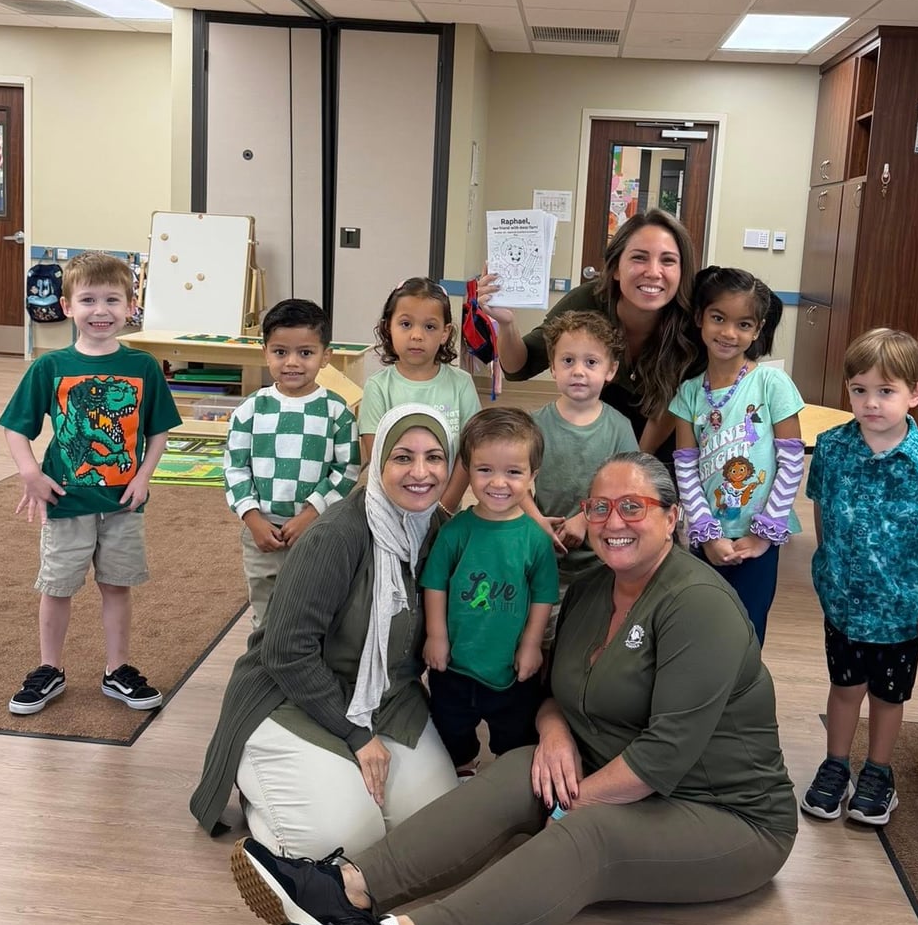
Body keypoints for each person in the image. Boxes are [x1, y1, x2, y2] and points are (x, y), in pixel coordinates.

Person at [227, 453, 797, 925]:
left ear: (672, 518)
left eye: (633, 507)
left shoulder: (699, 604)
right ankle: (347, 887)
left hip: (726, 814)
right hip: (624, 770)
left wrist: (565, 808)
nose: (612, 521)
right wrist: (552, 735)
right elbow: (554, 692)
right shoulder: (594, 587)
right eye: (598, 507)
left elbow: (663, 756)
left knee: (587, 834)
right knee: (523, 766)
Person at [190, 404, 458, 855]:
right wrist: (357, 737)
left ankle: (337, 782)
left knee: (433, 829)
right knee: (341, 840)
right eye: (402, 457)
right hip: (290, 696)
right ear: (378, 463)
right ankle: (262, 797)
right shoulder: (337, 535)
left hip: (385, 700)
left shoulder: (440, 532)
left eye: (434, 457)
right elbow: (285, 651)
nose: (421, 472)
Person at [0, 251, 181, 716]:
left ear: (130, 306)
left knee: (117, 585)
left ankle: (117, 668)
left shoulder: (144, 367)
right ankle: (49, 668)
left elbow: (157, 429)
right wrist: (30, 472)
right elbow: (16, 426)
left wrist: (144, 475)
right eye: (88, 300)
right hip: (67, 501)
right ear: (67, 307)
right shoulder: (50, 367)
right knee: (57, 586)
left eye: (112, 300)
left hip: (123, 503)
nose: (101, 310)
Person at [801, 329, 918, 827]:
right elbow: (822, 513)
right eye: (859, 390)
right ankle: (836, 766)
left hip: (901, 609)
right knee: (845, 686)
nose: (871, 403)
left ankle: (878, 772)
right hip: (844, 604)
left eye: (886, 391)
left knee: (888, 697)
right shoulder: (830, 448)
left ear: (915, 393)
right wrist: (829, 568)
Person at [477, 209, 699, 465]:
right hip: (595, 438)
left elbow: (670, 411)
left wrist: (635, 467)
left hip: (666, 445)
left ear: (682, 271)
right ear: (615, 269)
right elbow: (518, 367)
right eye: (639, 258)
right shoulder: (588, 300)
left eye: (668, 261)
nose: (653, 271)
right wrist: (507, 323)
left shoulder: (691, 322)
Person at [421, 407, 559, 776]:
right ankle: (463, 769)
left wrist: (531, 644)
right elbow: (434, 584)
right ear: (467, 470)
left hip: (511, 667)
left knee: (515, 734)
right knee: (451, 729)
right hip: (454, 664)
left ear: (533, 475)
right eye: (485, 470)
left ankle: (503, 783)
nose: (498, 483)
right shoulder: (455, 532)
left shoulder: (535, 539)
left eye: (513, 472)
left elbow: (544, 595)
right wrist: (436, 635)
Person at [669, 266, 804, 646]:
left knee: (747, 632)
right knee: (702, 630)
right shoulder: (689, 394)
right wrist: (705, 532)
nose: (729, 333)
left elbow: (792, 461)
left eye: (743, 324)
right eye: (718, 318)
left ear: (758, 329)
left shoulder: (771, 383)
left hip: (757, 540)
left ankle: (741, 704)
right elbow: (685, 467)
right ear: (700, 319)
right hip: (706, 540)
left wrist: (764, 533)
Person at [223, 297, 360, 632]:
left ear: (325, 356)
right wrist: (253, 519)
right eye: (280, 352)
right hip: (262, 534)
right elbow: (235, 469)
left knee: (314, 611)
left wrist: (310, 515)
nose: (292, 363)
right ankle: (263, 674)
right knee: (265, 616)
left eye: (306, 353)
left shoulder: (336, 410)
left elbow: (348, 469)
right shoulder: (250, 410)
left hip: (316, 532)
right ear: (265, 351)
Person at [528, 311, 640, 598]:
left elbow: (631, 491)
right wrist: (537, 521)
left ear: (610, 370)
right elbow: (514, 483)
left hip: (602, 562)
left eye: (591, 362)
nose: (578, 371)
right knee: (543, 632)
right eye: (568, 361)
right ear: (553, 367)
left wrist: (586, 518)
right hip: (541, 556)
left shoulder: (619, 428)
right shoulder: (534, 425)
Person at [359, 277, 480, 512]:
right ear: (388, 327)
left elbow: (471, 452)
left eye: (430, 326)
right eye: (406, 324)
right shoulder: (378, 387)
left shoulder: (461, 384)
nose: (417, 335)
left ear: (445, 333)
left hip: (445, 510)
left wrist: (444, 507)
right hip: (391, 509)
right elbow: (378, 457)